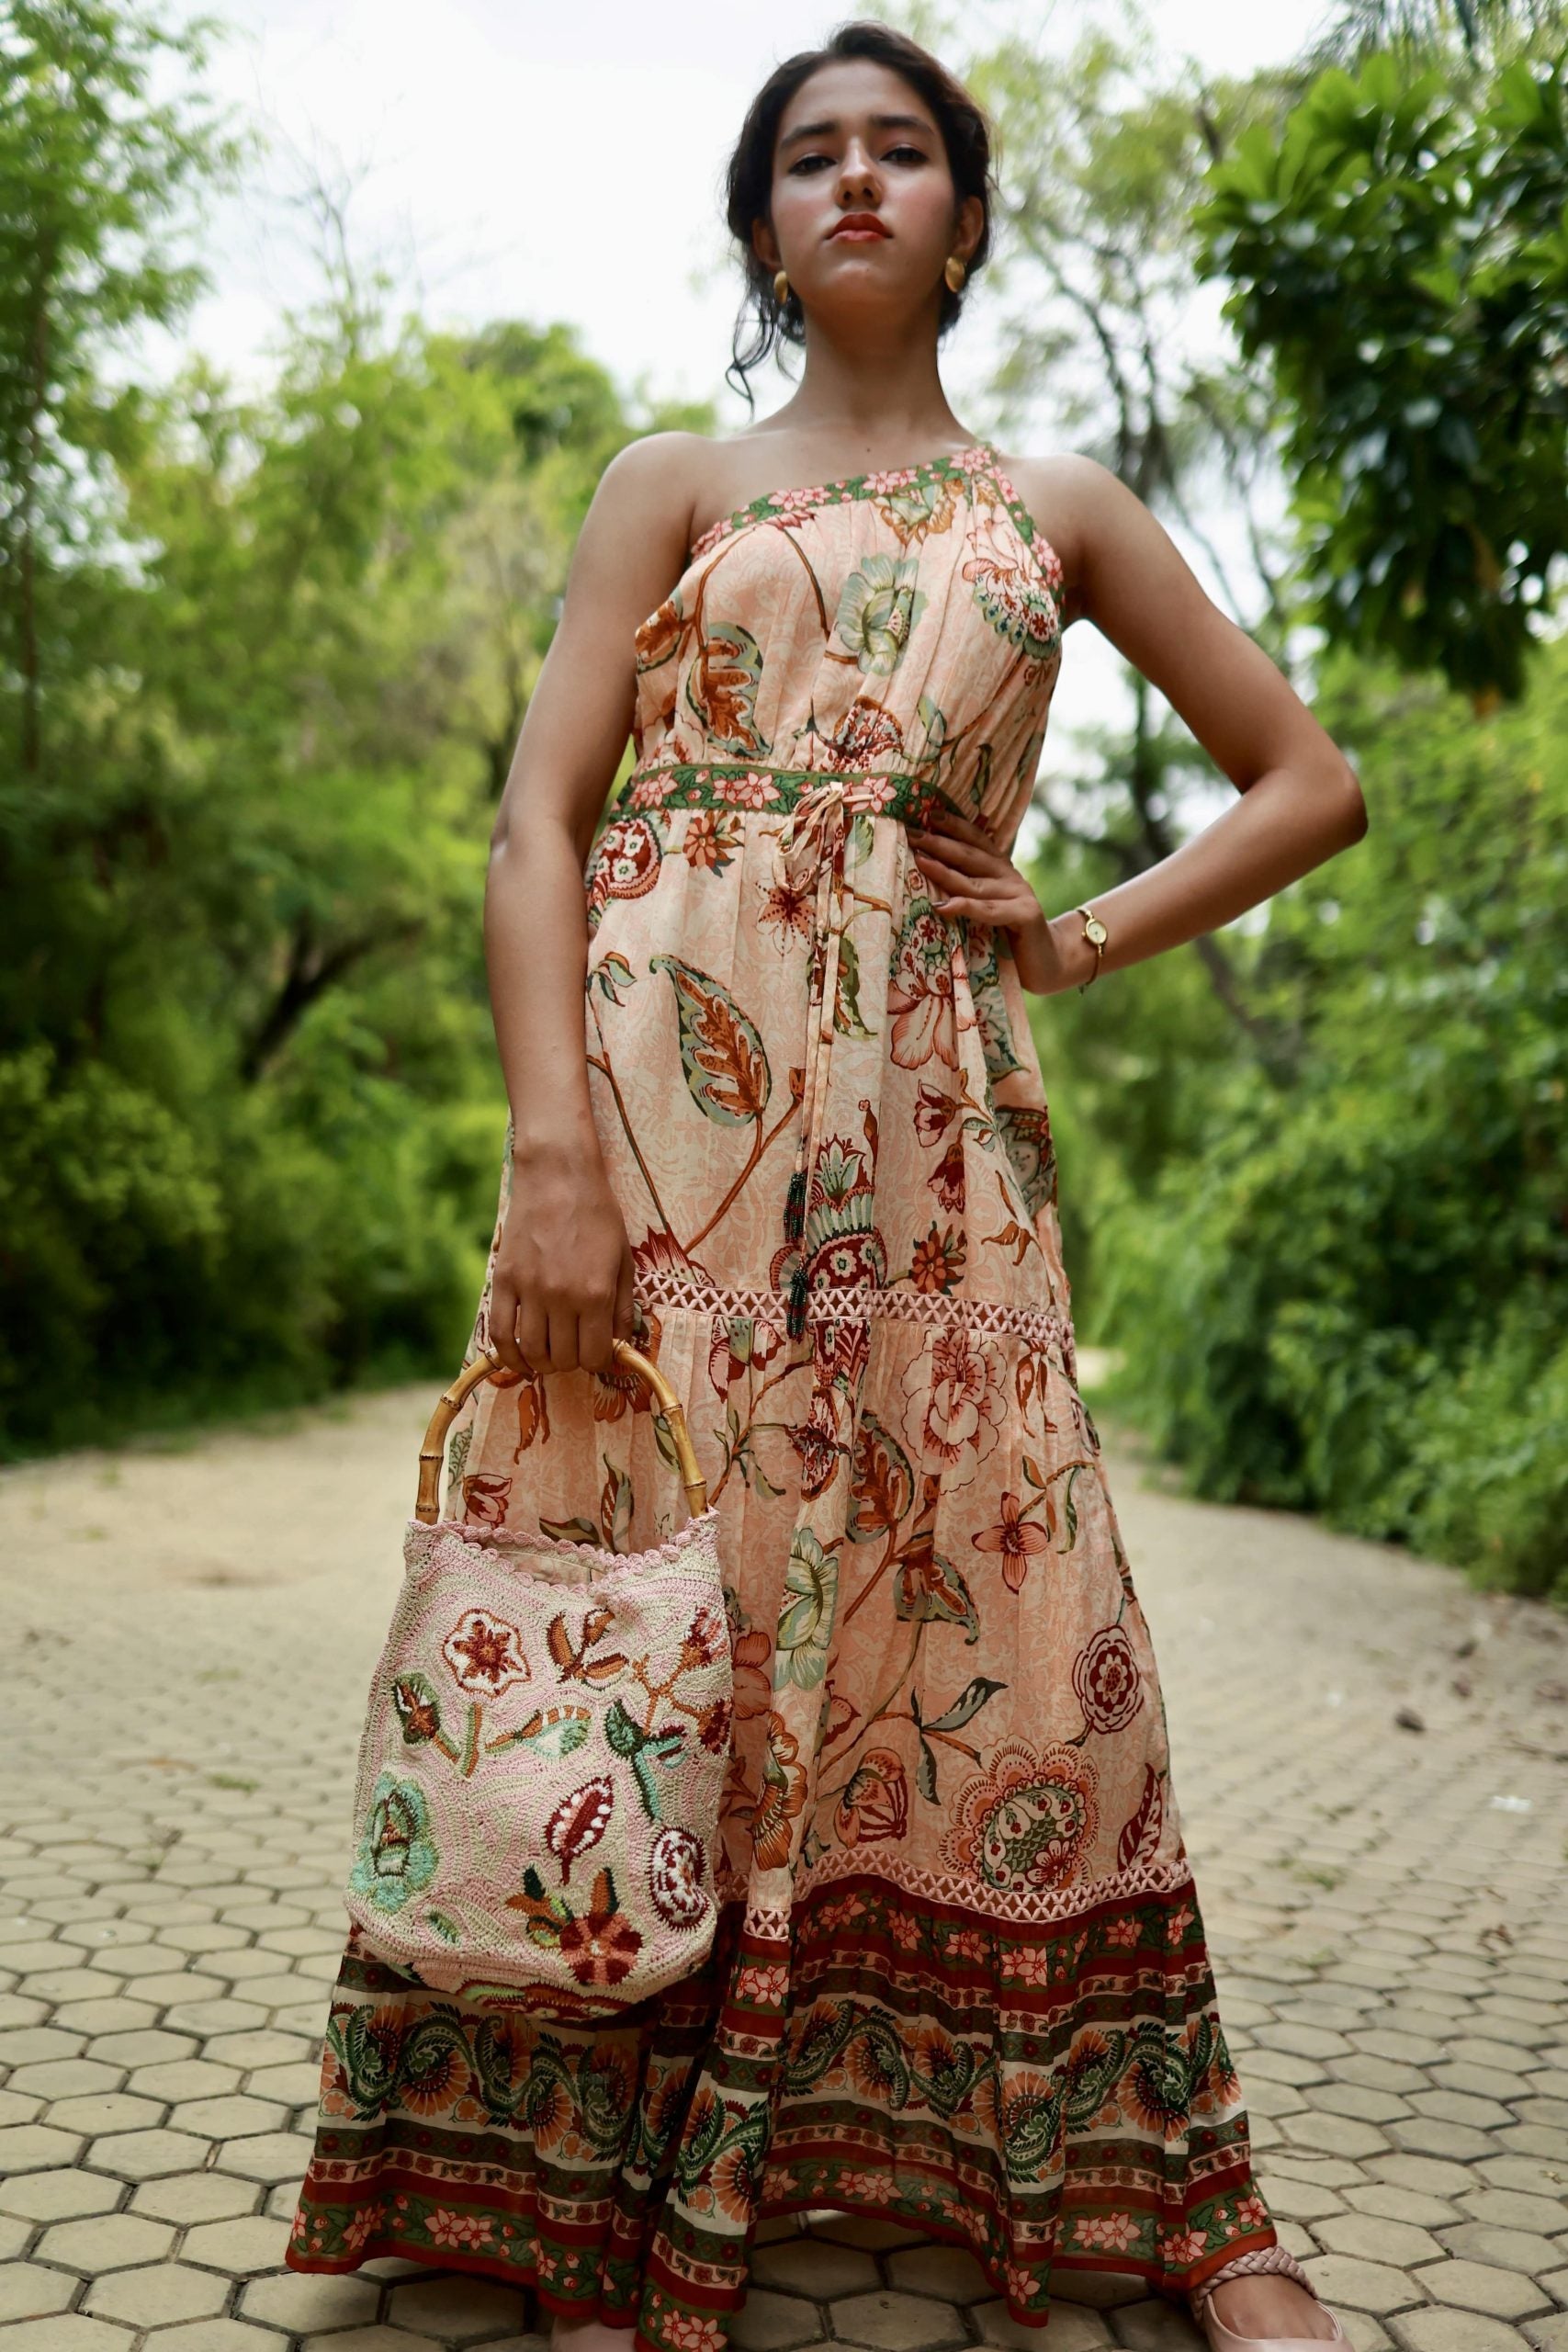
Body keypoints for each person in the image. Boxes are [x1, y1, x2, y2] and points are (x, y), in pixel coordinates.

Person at [288, 21, 1363, 2352]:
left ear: (963, 220)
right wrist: (550, 1150)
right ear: (762, 229)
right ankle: (568, 2184)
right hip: (658, 1141)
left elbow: (1306, 778)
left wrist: (1072, 935)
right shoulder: (667, 480)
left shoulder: (1056, 509)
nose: (854, 179)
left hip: (931, 1149)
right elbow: (534, 825)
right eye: (808, 156)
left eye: (899, 151)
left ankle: (1181, 2188)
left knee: (1016, 1617)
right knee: (631, 1612)